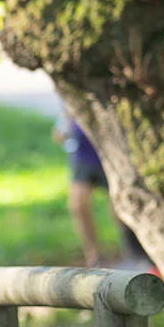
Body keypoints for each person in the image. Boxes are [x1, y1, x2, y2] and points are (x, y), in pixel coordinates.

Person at [53, 115, 149, 269]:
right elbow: (59, 130)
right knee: (78, 205)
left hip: (110, 155)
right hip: (82, 156)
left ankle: (134, 253)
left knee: (119, 208)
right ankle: (93, 256)